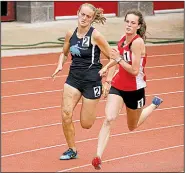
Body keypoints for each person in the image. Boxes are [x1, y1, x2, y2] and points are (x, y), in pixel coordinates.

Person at [92, 9, 163, 169]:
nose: (129, 25)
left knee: (133, 125)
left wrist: (118, 60)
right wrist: (107, 70)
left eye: (133, 23)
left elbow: (134, 70)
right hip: (118, 85)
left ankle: (153, 105)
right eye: (127, 22)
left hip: (135, 89)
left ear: (138, 26)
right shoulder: (122, 40)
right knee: (109, 118)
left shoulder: (137, 43)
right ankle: (98, 156)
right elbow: (117, 57)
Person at [51, 3, 115, 160]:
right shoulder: (70, 33)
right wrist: (60, 63)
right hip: (73, 78)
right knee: (66, 114)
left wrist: (108, 81)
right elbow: (64, 53)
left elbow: (114, 58)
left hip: (92, 81)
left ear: (92, 18)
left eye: (88, 16)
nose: (84, 18)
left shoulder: (96, 36)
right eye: (82, 14)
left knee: (86, 124)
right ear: (77, 13)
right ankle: (72, 149)